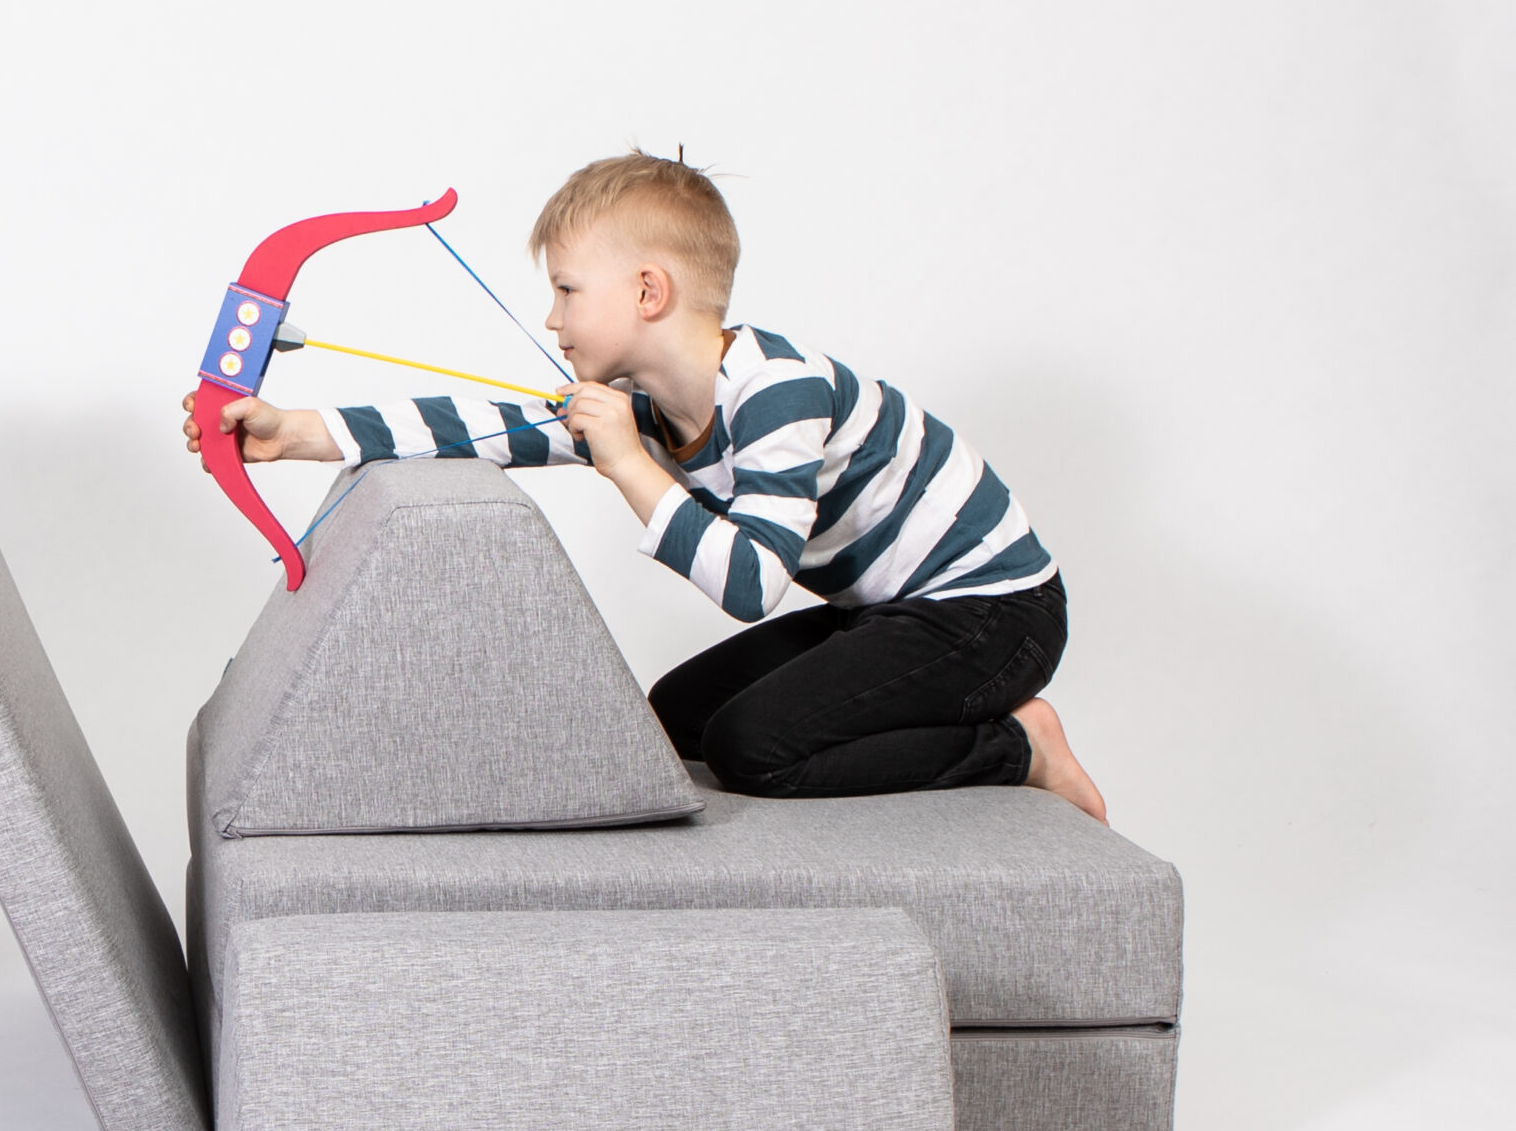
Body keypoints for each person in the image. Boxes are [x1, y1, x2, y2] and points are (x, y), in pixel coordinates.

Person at [180, 150, 1107, 817]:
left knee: (755, 750)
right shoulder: (652, 403)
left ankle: (1018, 747)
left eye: (568, 290)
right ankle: (987, 729)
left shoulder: (778, 390)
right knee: (675, 718)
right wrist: (294, 433)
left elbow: (751, 585)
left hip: (995, 614)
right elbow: (485, 426)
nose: (552, 318)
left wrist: (626, 462)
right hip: (892, 612)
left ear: (649, 292)